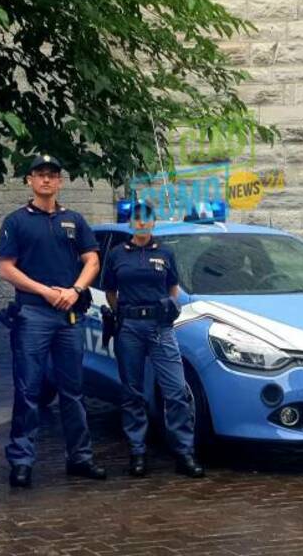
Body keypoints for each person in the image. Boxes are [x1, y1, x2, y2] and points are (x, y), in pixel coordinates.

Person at [0, 154, 106, 488]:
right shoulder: (16, 221)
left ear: (59, 181)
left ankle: (80, 458)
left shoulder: (74, 219)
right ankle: (22, 461)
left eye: (52, 175)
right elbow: (6, 268)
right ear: (29, 180)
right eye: (40, 174)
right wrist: (45, 291)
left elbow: (92, 260)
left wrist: (75, 289)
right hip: (33, 314)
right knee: (28, 389)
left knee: (72, 391)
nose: (46, 180)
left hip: (68, 315)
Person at [102, 200, 204, 478]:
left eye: (147, 218)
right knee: (132, 393)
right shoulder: (116, 254)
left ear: (152, 222)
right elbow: (110, 291)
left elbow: (173, 288)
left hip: (160, 327)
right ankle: (137, 452)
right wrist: (122, 312)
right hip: (131, 326)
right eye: (137, 218)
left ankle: (184, 453)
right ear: (131, 223)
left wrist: (168, 308)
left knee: (175, 392)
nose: (142, 223)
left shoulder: (166, 253)